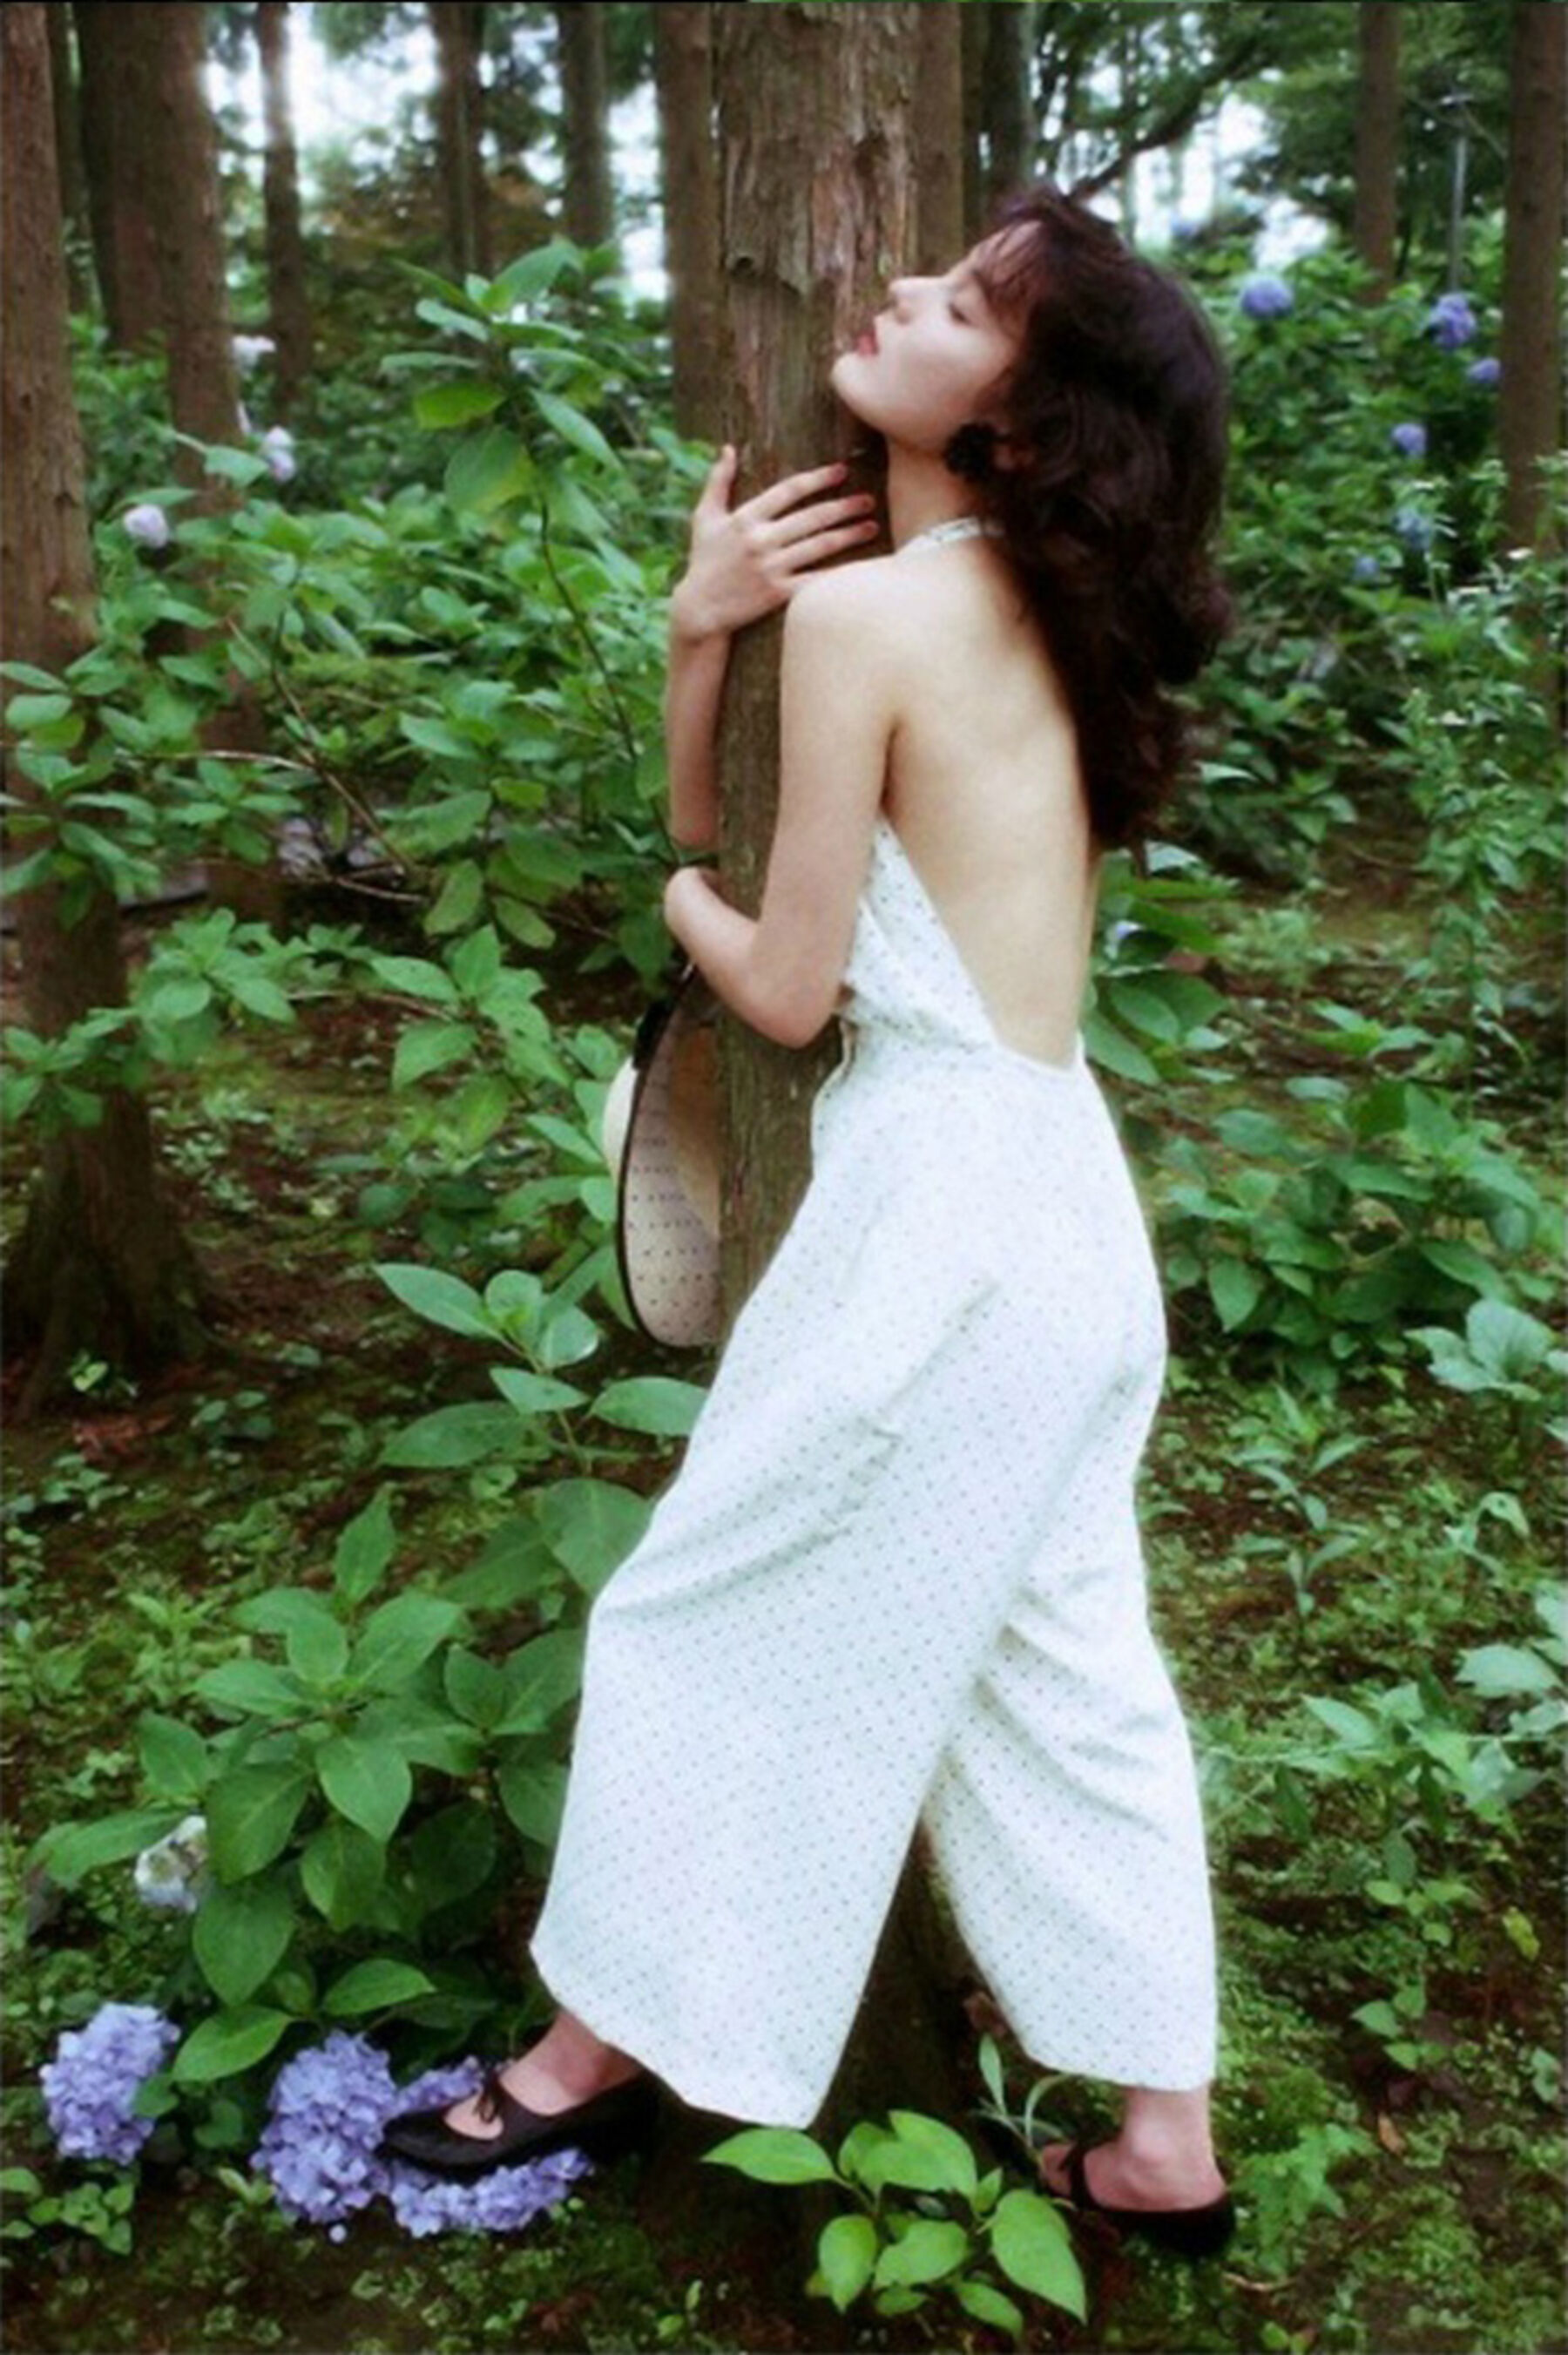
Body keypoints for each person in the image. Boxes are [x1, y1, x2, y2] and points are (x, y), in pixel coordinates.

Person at [382, 182, 1236, 2260]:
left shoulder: (873, 617)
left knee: (700, 1625)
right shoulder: (1042, 604)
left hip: (938, 1232)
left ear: (1016, 417)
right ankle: (1166, 2141)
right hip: (1065, 1208)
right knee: (1066, 1671)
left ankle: (588, 2055)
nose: (900, 289)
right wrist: (705, 633)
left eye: (964, 301)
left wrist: (678, 887)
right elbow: (771, 860)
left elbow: (776, 976)